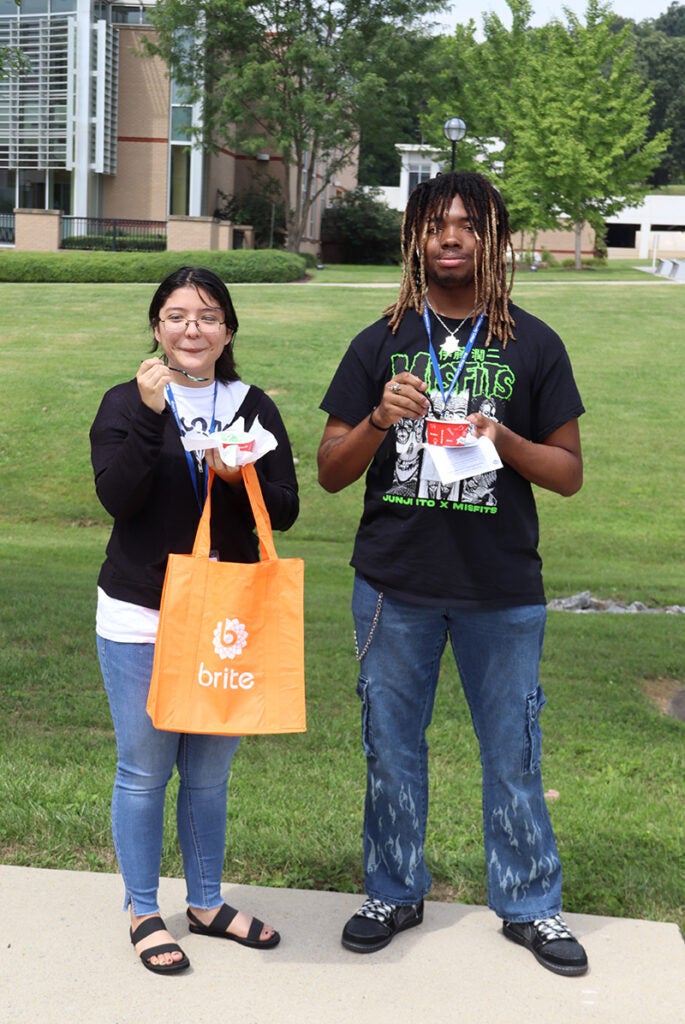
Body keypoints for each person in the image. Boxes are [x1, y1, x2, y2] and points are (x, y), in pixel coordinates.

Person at [317, 172, 588, 977]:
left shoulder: (532, 344)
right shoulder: (379, 341)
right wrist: (376, 417)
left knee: (512, 753)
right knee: (391, 749)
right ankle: (393, 891)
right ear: (414, 237)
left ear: (491, 240)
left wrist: (503, 440)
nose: (452, 236)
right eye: (437, 223)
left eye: (469, 224)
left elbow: (568, 473)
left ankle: (531, 905)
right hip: (394, 584)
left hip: (499, 590)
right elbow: (330, 472)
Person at [90, 266, 299, 974]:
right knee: (145, 771)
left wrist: (242, 476)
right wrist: (154, 421)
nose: (192, 328)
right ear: (156, 327)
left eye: (207, 316)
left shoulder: (251, 405)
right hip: (140, 614)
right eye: (177, 315)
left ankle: (206, 903)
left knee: (208, 776)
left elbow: (287, 507)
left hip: (223, 617)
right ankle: (143, 909)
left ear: (228, 331)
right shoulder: (127, 403)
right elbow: (120, 498)